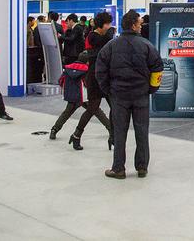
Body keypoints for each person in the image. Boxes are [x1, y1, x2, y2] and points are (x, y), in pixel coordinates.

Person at [97, 10, 163, 180]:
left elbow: (100, 70)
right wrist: (151, 89)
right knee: (142, 131)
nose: (141, 26)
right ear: (133, 25)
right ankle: (142, 167)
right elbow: (157, 67)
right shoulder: (147, 45)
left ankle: (118, 169)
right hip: (141, 95)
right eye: (140, 23)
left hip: (119, 96)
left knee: (119, 132)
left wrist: (108, 90)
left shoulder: (111, 46)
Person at [68, 11, 115, 150]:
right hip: (94, 77)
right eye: (107, 24)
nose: (109, 26)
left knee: (115, 107)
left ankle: (113, 136)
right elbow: (106, 41)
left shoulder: (103, 36)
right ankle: (76, 135)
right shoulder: (93, 36)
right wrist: (110, 32)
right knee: (92, 108)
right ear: (101, 25)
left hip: (106, 76)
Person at [50, 51, 111, 148]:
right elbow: (88, 84)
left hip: (72, 96)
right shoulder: (87, 70)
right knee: (97, 111)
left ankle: (54, 130)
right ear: (87, 61)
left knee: (66, 113)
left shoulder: (68, 68)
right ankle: (111, 129)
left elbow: (61, 81)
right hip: (84, 96)